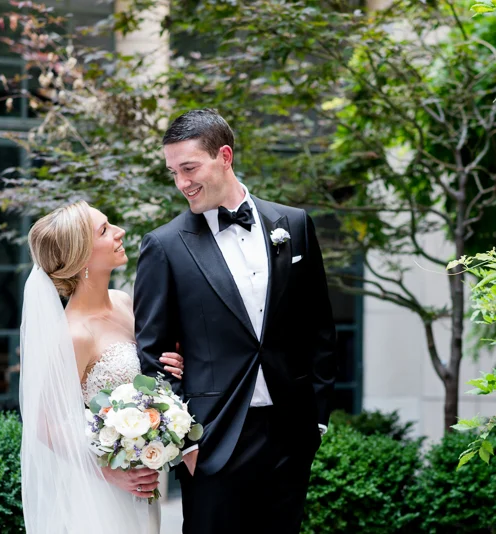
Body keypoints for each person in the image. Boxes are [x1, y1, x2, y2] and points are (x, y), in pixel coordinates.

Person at [134, 109, 337, 534]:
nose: (181, 183)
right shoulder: (165, 246)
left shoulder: (293, 225)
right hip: (213, 440)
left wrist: (316, 419)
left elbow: (318, 326)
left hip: (290, 433)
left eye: (189, 168)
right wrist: (184, 441)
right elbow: (152, 354)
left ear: (224, 156)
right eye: (173, 172)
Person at [19, 201, 184, 533]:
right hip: (102, 491)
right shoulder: (74, 335)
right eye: (105, 230)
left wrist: (174, 364)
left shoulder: (123, 302)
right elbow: (44, 424)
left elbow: (148, 373)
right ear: (82, 257)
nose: (119, 232)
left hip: (141, 479)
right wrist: (109, 471)